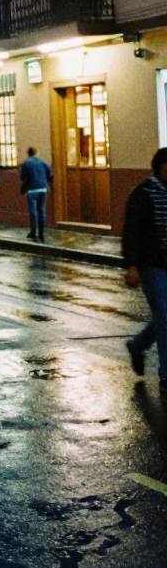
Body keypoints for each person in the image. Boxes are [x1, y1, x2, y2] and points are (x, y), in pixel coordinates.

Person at [122, 147, 167, 393]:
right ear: (158, 167)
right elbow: (132, 231)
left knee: (165, 317)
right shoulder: (144, 193)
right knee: (165, 316)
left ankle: (138, 346)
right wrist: (132, 265)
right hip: (152, 265)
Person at [20, 147, 53, 242]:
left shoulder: (26, 164)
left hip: (32, 190)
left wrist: (24, 187)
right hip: (43, 188)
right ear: (37, 153)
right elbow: (50, 174)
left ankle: (33, 231)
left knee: (33, 211)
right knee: (41, 210)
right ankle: (41, 232)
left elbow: (23, 177)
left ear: (28, 154)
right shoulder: (43, 162)